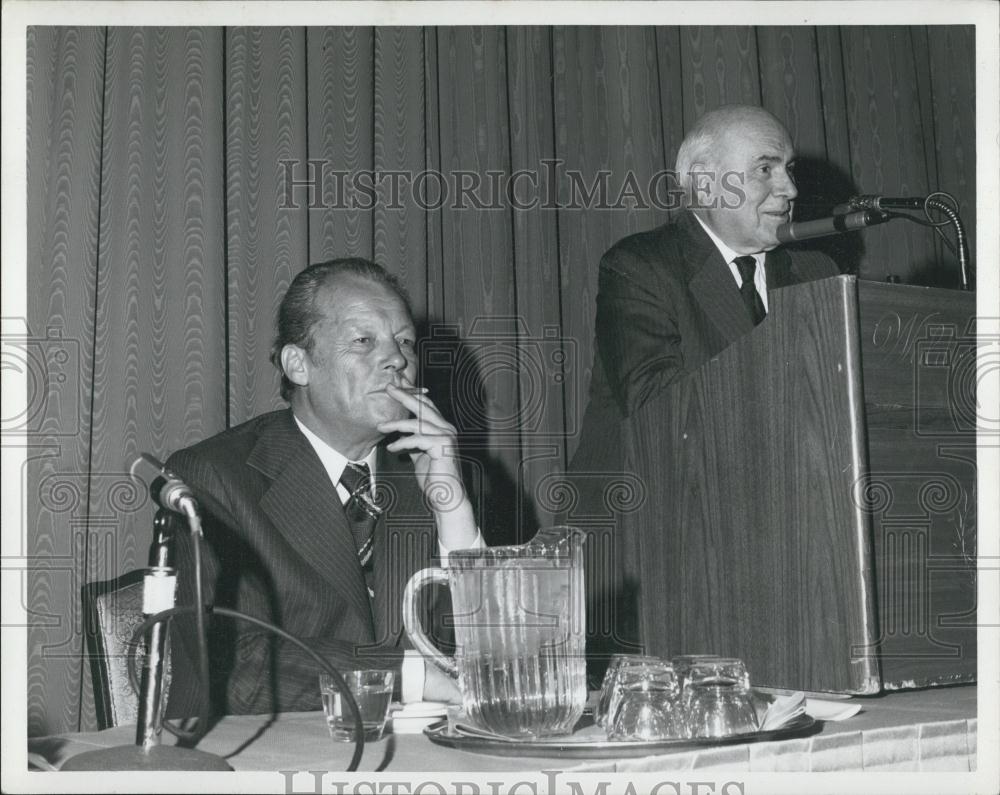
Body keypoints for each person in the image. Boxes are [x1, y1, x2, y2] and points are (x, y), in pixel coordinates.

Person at [569, 104, 841, 668]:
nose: (789, 187)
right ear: (704, 184)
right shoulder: (640, 267)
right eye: (765, 169)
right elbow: (661, 408)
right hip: (653, 558)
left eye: (788, 168)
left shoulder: (815, 275)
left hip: (784, 556)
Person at [165, 258, 481, 717]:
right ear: (299, 365)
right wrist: (407, 676)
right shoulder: (214, 476)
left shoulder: (427, 472)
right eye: (364, 340)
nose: (398, 359)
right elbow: (232, 666)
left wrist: (452, 511)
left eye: (405, 342)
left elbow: (495, 653)